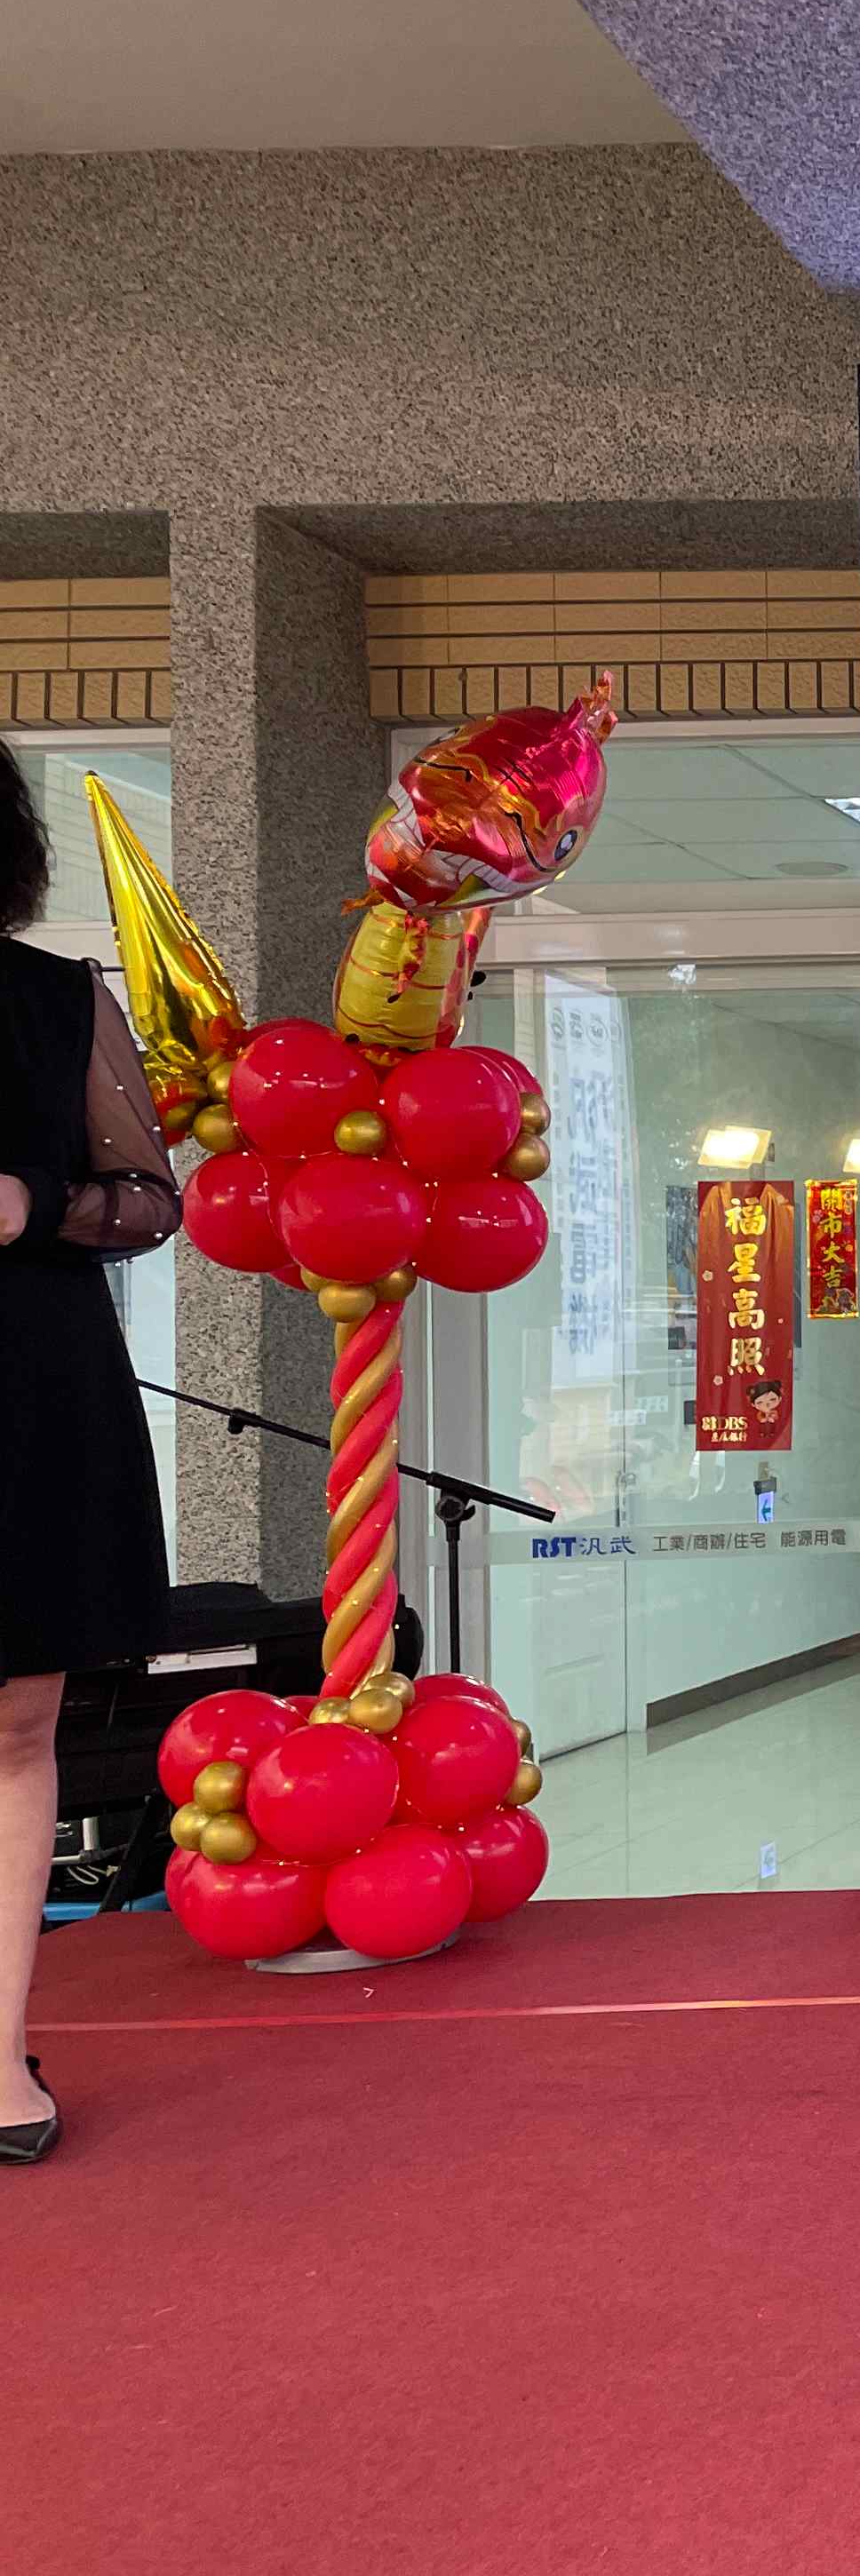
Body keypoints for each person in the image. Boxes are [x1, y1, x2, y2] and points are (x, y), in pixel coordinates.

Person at [0, 740, 186, 2167]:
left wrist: (32, 1203)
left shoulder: (56, 1002)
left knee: (16, 1726)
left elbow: (150, 1197)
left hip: (28, 1386)